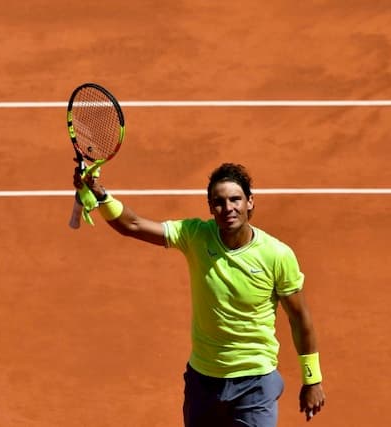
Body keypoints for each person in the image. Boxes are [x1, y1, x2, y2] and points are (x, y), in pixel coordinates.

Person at [74, 162, 325, 426]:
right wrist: (100, 194)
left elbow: (299, 318)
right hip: (204, 382)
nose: (228, 208)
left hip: (255, 382)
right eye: (218, 202)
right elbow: (133, 225)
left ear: (250, 202)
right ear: (210, 208)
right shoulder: (196, 235)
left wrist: (312, 379)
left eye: (235, 199)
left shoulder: (277, 255)